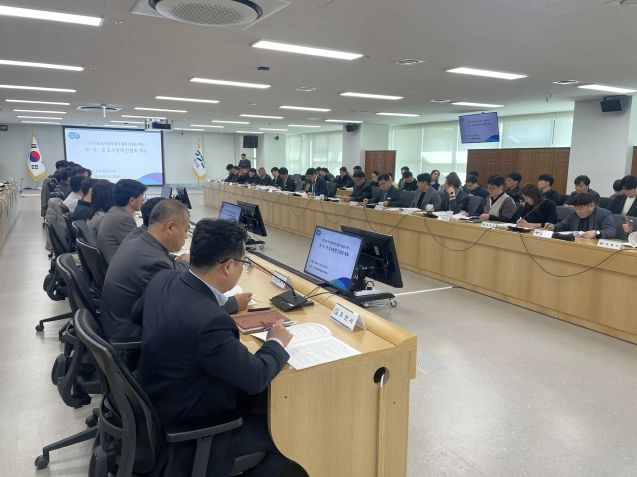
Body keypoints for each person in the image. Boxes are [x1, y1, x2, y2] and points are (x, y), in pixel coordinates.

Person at [137, 219, 292, 476]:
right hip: (194, 430)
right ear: (228, 266)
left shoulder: (164, 279)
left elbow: (137, 314)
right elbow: (256, 377)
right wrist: (276, 341)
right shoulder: (210, 323)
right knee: (285, 437)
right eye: (243, 262)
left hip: (157, 399)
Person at [97, 179, 147, 263]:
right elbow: (140, 249)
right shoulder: (123, 219)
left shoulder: (114, 211)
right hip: (123, 266)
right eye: (142, 196)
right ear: (132, 200)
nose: (143, 200)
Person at [545, 192, 615, 239]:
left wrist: (596, 233)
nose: (578, 211)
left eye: (581, 209)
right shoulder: (574, 213)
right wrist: (553, 227)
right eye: (576, 208)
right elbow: (563, 225)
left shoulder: (603, 214)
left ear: (591, 206)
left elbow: (611, 231)